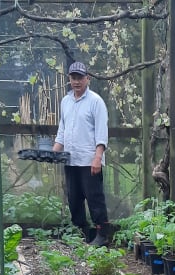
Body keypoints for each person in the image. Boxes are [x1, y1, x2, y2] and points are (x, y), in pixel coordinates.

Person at [53, 61, 110, 246]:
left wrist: (97, 157)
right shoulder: (65, 101)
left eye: (80, 78)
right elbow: (62, 129)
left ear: (88, 79)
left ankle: (102, 234)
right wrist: (55, 151)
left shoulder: (96, 102)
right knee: (74, 199)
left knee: (94, 198)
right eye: (73, 78)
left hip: (89, 160)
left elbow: (102, 132)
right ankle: (82, 233)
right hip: (71, 160)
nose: (76, 81)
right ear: (69, 79)